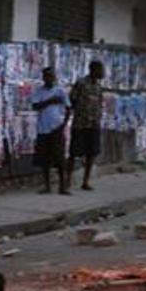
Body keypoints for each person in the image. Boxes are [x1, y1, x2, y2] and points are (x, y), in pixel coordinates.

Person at [31, 67, 71, 195]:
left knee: (60, 158)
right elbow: (35, 106)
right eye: (46, 76)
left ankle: (62, 186)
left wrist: (64, 124)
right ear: (43, 78)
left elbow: (68, 108)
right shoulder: (39, 91)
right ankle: (47, 186)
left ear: (54, 77)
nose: (49, 78)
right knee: (45, 159)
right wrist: (50, 101)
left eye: (51, 76)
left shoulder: (60, 91)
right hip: (43, 128)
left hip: (56, 128)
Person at [68, 61, 104, 191]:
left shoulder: (99, 87)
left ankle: (85, 181)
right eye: (100, 70)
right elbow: (72, 99)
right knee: (74, 153)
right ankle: (67, 180)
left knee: (91, 154)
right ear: (93, 70)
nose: (102, 73)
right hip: (80, 124)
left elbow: (100, 104)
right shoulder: (81, 83)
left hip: (94, 124)